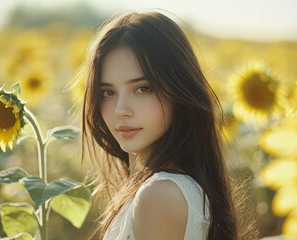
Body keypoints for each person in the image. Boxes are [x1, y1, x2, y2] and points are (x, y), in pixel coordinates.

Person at [76, 11, 243, 240]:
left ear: (179, 91)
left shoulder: (159, 196)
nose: (120, 110)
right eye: (108, 92)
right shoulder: (173, 189)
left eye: (143, 88)